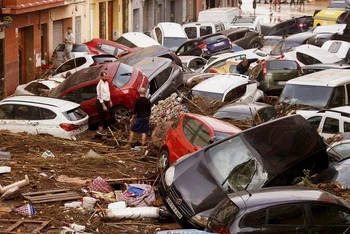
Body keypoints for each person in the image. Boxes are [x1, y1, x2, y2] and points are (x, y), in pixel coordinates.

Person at [96, 71, 112, 135]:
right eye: (105, 76)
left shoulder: (106, 83)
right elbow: (100, 96)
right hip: (101, 102)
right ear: (102, 77)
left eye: (106, 76)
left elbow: (108, 92)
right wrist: (103, 105)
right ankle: (100, 130)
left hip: (106, 101)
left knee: (105, 115)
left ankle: (103, 128)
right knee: (101, 116)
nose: (106, 77)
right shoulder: (100, 85)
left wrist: (110, 101)